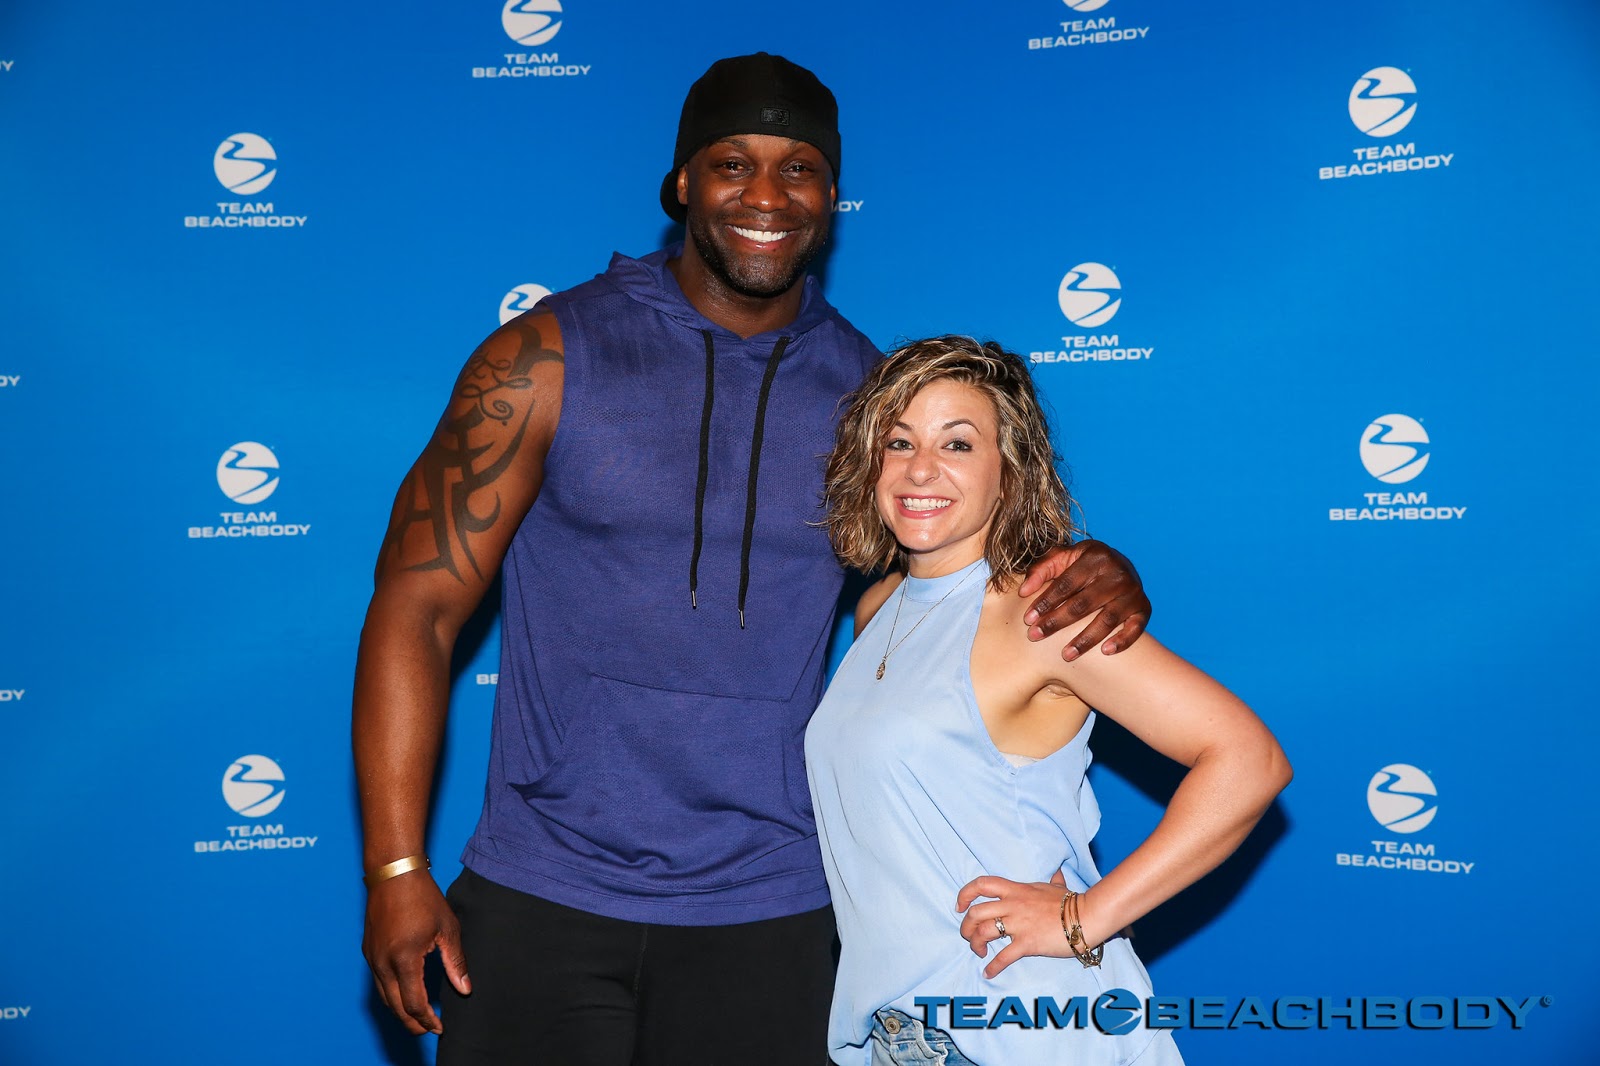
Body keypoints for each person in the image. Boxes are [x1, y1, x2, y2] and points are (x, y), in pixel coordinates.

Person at [353, 57, 1153, 1066]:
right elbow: (417, 607)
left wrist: (1091, 564)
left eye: (799, 168)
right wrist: (394, 867)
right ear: (683, 180)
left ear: (832, 193)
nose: (766, 196)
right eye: (733, 163)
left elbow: (965, 577)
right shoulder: (544, 357)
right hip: (541, 891)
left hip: (775, 908)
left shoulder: (871, 398)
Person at [808, 336, 1292, 1066]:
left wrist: (1083, 918)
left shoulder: (1041, 613)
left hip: (1022, 1031)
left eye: (958, 443)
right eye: (899, 441)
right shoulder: (879, 607)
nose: (921, 468)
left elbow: (1249, 760)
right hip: (901, 1039)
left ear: (1009, 472)